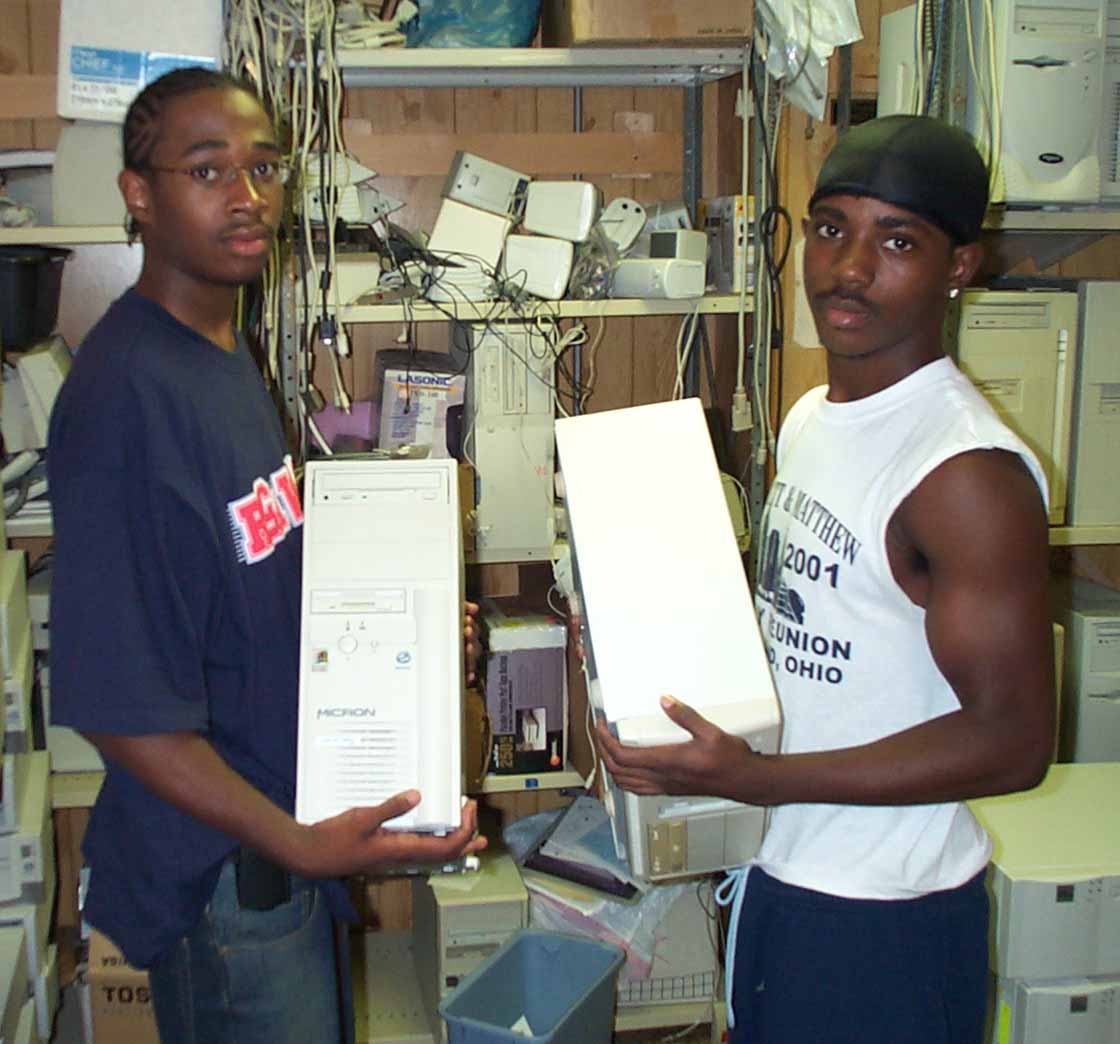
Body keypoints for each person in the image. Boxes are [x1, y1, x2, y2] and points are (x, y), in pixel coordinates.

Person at [47, 67, 485, 1044]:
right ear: (139, 195)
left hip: (278, 846)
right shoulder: (129, 399)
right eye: (208, 170)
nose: (248, 197)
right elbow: (124, 718)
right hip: (223, 879)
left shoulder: (221, 354)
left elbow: (256, 573)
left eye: (263, 167)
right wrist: (297, 842)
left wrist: (397, 619)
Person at [594, 115, 1055, 1044]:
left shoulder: (967, 476)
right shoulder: (812, 416)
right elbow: (816, 630)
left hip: (887, 921)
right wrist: (636, 642)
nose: (848, 269)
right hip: (783, 879)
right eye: (831, 227)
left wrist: (765, 779)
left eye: (897, 242)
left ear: (960, 265)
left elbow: (1013, 744)